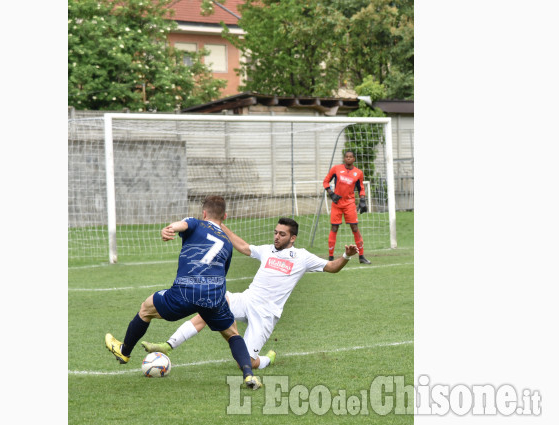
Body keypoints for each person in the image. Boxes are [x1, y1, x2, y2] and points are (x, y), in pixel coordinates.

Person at [141, 217, 358, 370]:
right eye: (275, 232)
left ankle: (266, 359)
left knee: (245, 363)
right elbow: (244, 247)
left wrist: (346, 256)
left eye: (282, 234)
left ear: (292, 238)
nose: (276, 237)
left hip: (266, 314)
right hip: (246, 299)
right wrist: (220, 225)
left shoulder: (302, 257)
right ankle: (168, 345)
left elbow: (331, 267)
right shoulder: (267, 250)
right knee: (210, 305)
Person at [104, 195, 261, 390]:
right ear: (225, 217)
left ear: (204, 213)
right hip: (214, 296)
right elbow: (221, 272)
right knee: (232, 333)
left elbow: (180, 225)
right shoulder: (228, 243)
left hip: (186, 291)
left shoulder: (195, 223)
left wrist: (169, 229)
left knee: (146, 308)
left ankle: (124, 351)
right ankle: (248, 376)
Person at [323, 150, 371, 264]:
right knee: (334, 228)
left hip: (350, 204)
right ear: (344, 159)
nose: (348, 158)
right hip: (337, 204)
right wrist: (331, 193)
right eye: (347, 157)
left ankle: (361, 256)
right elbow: (325, 182)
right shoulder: (336, 169)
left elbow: (361, 188)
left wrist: (363, 200)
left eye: (351, 157)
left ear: (354, 159)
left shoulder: (358, 173)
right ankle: (330, 258)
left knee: (355, 228)